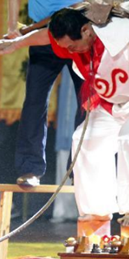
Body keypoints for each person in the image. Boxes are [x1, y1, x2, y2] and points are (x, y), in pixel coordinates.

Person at [0, 0, 129, 231]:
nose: (69, 52)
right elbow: (47, 36)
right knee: (84, 140)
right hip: (114, 102)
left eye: (72, 46)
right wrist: (15, 43)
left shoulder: (119, 33)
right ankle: (96, 213)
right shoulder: (75, 40)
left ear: (86, 30)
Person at [6, 0, 103, 187]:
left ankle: (81, 166)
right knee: (34, 102)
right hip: (44, 37)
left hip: (75, 34)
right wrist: (12, 26)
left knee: (88, 100)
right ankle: (30, 169)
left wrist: (96, 1)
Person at [50, 69, 79, 223]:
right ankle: (61, 211)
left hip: (83, 129)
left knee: (83, 173)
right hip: (63, 127)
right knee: (63, 170)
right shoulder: (64, 67)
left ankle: (82, 211)